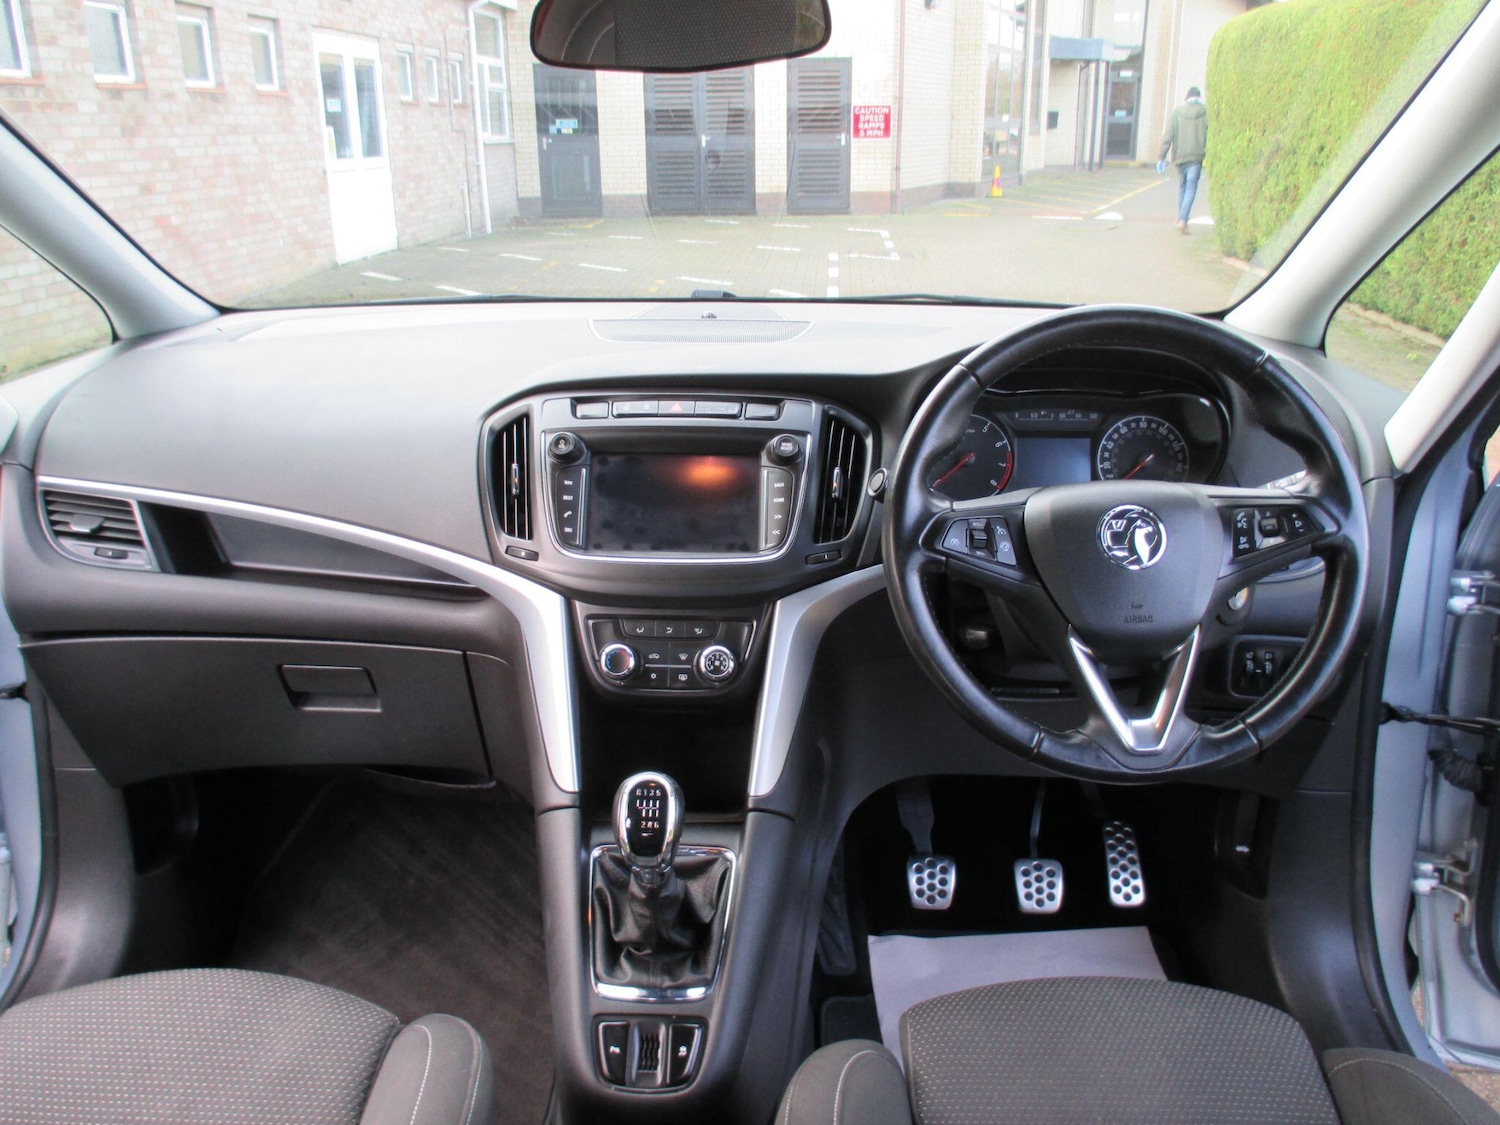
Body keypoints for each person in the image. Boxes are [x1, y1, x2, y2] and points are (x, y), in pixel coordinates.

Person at [1157, 86, 1208, 234]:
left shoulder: (1177, 113)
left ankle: (1181, 218)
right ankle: (1183, 220)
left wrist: (1161, 157)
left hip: (1180, 157)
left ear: (1187, 98)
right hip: (1196, 156)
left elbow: (1168, 135)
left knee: (1183, 187)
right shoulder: (1205, 112)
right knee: (1191, 187)